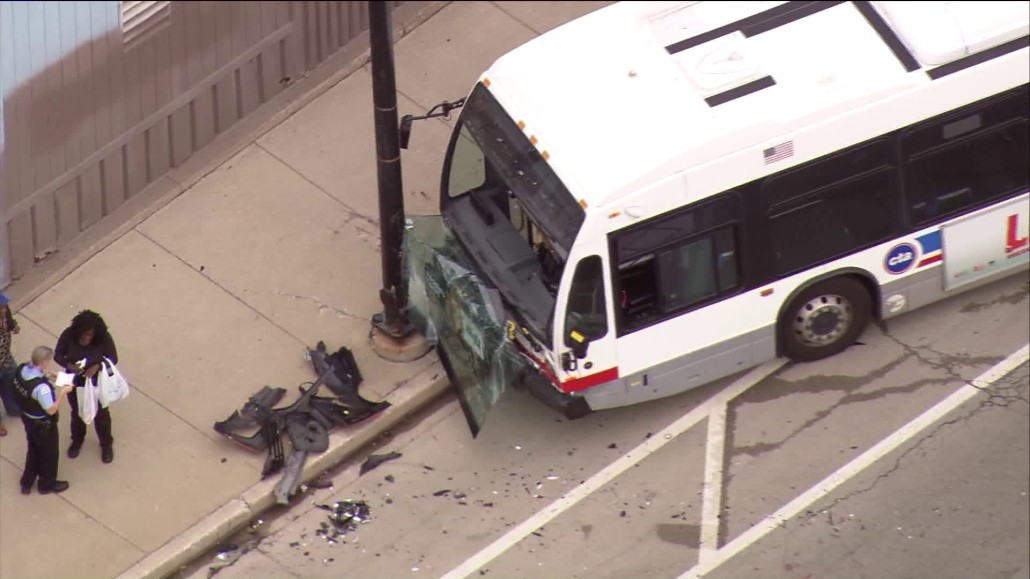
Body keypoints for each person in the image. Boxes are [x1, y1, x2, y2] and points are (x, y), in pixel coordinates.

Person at [54, 310, 119, 463]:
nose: (86, 338)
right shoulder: (68, 335)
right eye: (84, 334)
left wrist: (98, 366)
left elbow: (113, 358)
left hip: (97, 381)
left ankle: (106, 444)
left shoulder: (104, 337)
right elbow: (58, 355)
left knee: (101, 414)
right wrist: (69, 365)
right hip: (75, 381)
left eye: (90, 335)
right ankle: (77, 441)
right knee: (77, 413)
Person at [13, 346, 74, 494]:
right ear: (45, 361)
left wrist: (45, 376)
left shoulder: (21, 370)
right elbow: (51, 409)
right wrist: (63, 393)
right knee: (49, 454)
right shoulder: (42, 389)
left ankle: (26, 482)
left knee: (33, 449)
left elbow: (29, 384)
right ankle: (47, 484)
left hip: (27, 418)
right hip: (43, 425)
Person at [0, 290, 22, 437]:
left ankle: (14, 408)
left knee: (11, 385)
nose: (4, 308)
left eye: (4, 305)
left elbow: (11, 324)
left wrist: (15, 327)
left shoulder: (5, 314)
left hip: (6, 359)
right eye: (1, 306)